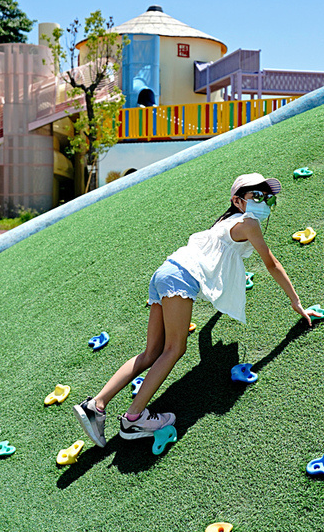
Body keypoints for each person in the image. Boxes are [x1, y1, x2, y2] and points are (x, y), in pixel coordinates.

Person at [73, 173, 311, 447]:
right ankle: (133, 419)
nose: (264, 202)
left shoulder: (226, 221)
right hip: (179, 279)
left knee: (152, 352)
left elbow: (216, 264)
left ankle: (96, 405)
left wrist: (213, 320)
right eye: (256, 196)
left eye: (268, 198)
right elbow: (271, 264)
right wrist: (295, 300)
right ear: (237, 201)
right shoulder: (249, 223)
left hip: (165, 272)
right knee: (174, 349)